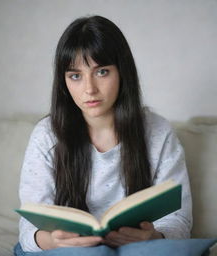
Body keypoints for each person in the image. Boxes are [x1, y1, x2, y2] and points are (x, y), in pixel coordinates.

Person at [14, 15, 192, 255]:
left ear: (122, 72)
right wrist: (53, 241)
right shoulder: (46, 135)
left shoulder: (158, 132)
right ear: (64, 82)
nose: (89, 89)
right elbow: (30, 226)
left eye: (102, 72)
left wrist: (153, 236)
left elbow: (179, 219)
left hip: (137, 248)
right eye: (75, 76)